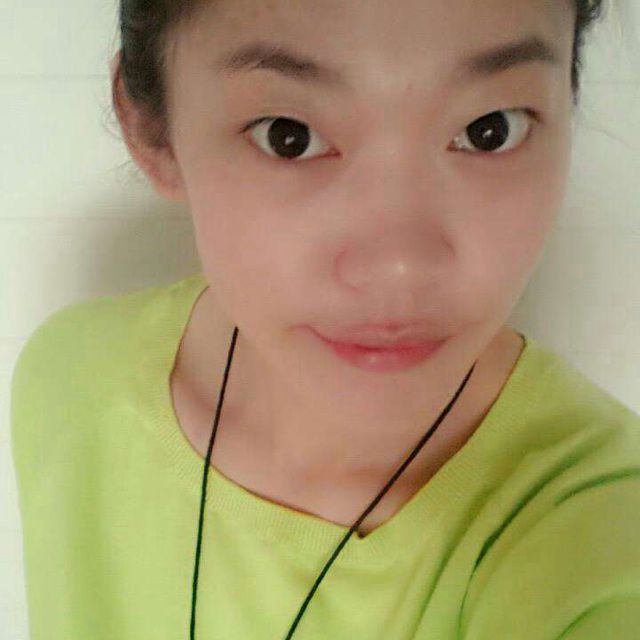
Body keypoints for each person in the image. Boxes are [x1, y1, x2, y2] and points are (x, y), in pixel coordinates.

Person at [10, 0, 640, 638]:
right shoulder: (72, 384)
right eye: (289, 136)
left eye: (490, 130)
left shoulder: (596, 526)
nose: (399, 268)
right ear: (151, 131)